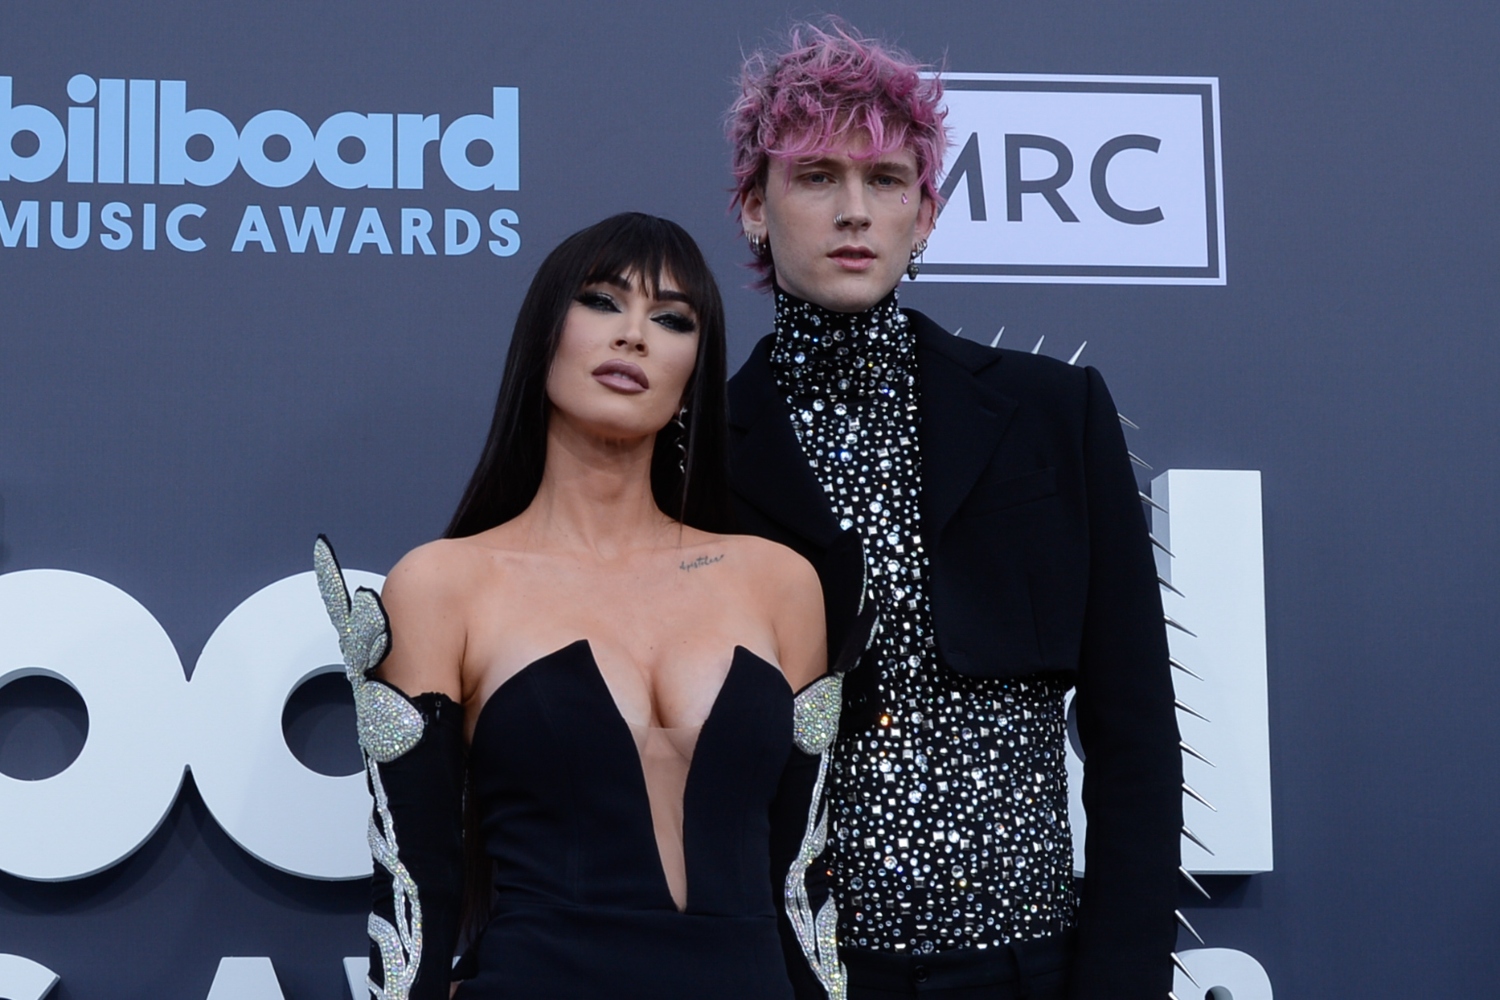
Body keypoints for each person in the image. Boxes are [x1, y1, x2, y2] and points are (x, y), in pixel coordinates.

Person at [724, 22, 1183, 1000]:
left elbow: (1135, 735)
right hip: (786, 975)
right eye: (816, 178)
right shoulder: (694, 455)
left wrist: (1122, 982)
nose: (855, 211)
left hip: (1031, 974)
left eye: (886, 180)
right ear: (754, 209)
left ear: (925, 213)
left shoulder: (1054, 415)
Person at [314, 212, 866, 999]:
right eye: (603, 302)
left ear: (693, 374)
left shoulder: (777, 582)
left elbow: (802, 891)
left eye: (671, 319)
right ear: (544, 335)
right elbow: (415, 896)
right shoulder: (445, 585)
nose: (635, 335)